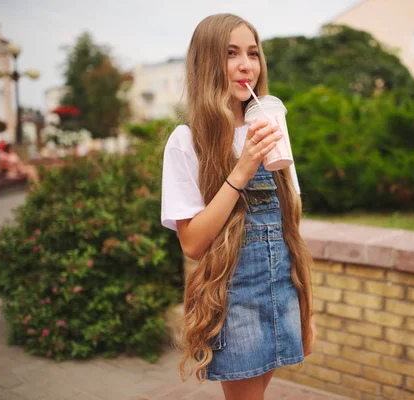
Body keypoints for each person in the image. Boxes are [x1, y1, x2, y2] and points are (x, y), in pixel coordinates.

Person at [160, 14, 315, 400]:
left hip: (282, 288)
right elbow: (193, 244)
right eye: (231, 54)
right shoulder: (187, 141)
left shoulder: (270, 124)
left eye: (252, 53)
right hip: (234, 298)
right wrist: (241, 171)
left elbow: (290, 225)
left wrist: (305, 307)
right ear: (206, 62)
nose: (247, 64)